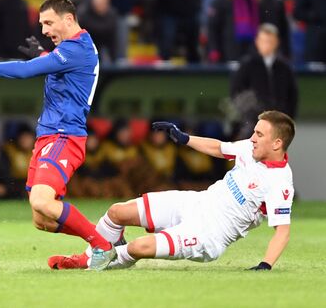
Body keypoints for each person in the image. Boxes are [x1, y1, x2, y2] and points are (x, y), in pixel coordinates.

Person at [0, 0, 117, 270]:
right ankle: (105, 240)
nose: (44, 30)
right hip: (48, 136)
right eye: (41, 24)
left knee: (41, 200)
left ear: (68, 19)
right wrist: (45, 56)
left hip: (64, 136)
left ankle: (102, 246)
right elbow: (62, 73)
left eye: (48, 23)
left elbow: (25, 72)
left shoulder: (78, 47)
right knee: (41, 219)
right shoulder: (70, 50)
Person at [51, 110, 295, 271]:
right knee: (117, 212)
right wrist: (184, 138)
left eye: (259, 134)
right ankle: (96, 253)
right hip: (196, 203)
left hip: (209, 233)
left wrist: (265, 265)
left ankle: (91, 261)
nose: (252, 137)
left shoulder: (280, 182)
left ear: (277, 143)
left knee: (139, 248)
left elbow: (282, 231)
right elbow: (221, 148)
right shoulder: (251, 149)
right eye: (254, 131)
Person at [231, 24, 298, 138]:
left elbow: (292, 96)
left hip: (279, 125)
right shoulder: (247, 65)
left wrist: (285, 119)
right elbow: (237, 93)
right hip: (252, 125)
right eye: (263, 41)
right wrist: (252, 115)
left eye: (270, 41)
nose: (266, 44)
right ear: (257, 42)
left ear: (276, 42)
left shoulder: (285, 68)